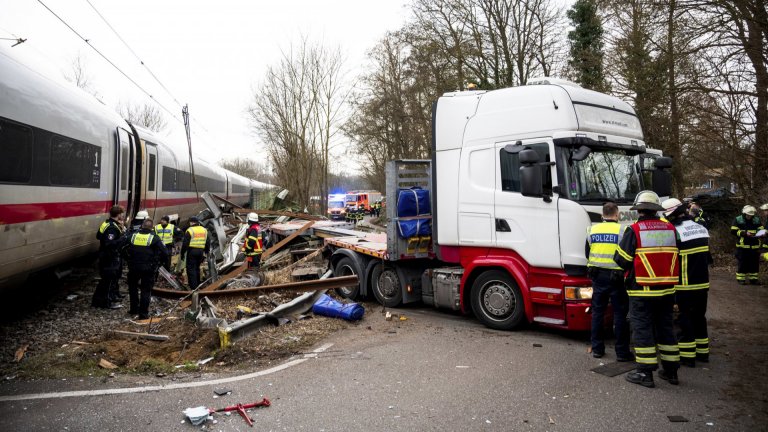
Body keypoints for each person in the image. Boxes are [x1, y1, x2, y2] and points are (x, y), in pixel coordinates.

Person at [614, 191, 681, 388]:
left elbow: (622, 260)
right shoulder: (670, 229)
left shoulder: (634, 230)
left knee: (642, 329)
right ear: (656, 210)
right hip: (667, 290)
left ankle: (645, 373)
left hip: (642, 291)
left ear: (639, 210)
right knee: (666, 329)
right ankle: (671, 371)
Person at [662, 198, 712, 367]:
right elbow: (708, 258)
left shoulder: (675, 232)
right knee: (700, 317)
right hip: (703, 283)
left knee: (685, 319)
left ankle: (687, 357)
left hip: (685, 284)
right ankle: (703, 353)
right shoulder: (701, 228)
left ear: (673, 215)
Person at [585, 202, 633, 362]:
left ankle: (597, 349)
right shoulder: (623, 230)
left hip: (597, 277)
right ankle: (622, 353)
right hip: (617, 278)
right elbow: (628, 256)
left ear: (602, 215)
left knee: (597, 313)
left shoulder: (592, 230)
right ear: (617, 214)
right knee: (620, 315)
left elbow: (588, 252)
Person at [125, 219, 168, 319]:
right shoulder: (154, 238)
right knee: (146, 290)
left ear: (142, 226)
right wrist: (160, 263)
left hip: (133, 267)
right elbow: (165, 252)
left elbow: (122, 247)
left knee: (133, 288)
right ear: (152, 227)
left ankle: (133, 309)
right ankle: (143, 314)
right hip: (148, 268)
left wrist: (127, 259)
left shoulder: (133, 236)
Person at [92, 205, 127, 309]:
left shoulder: (106, 223)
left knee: (107, 279)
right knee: (108, 280)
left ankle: (101, 300)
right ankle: (106, 302)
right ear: (119, 214)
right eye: (122, 213)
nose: (123, 215)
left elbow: (98, 236)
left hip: (106, 255)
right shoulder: (112, 227)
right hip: (109, 257)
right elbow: (109, 243)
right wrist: (123, 238)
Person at [731, 205, 763, 284]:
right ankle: (741, 279)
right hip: (742, 246)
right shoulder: (738, 219)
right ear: (744, 213)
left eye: (751, 215)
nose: (749, 216)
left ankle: (753, 279)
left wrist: (760, 233)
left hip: (755, 245)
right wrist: (744, 233)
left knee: (754, 263)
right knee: (742, 263)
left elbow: (761, 228)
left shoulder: (756, 219)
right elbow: (733, 231)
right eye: (748, 215)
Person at [181, 216, 210, 290]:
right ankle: (198, 284)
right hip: (200, 252)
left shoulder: (190, 230)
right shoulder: (204, 230)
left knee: (190, 269)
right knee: (197, 268)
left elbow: (185, 244)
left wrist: (182, 254)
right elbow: (207, 242)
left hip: (192, 251)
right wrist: (206, 252)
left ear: (192, 222)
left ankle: (193, 287)